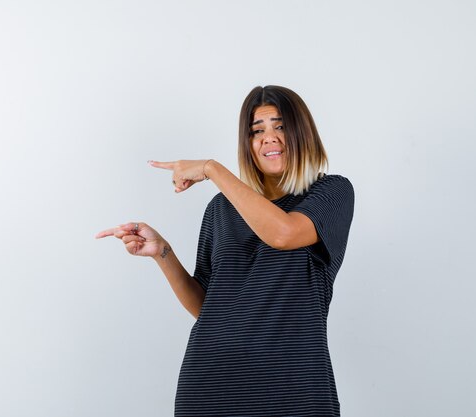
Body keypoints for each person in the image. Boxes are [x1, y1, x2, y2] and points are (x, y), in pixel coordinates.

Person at [95, 85, 355, 417]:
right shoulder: (221, 208)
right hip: (210, 386)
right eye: (257, 131)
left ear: (303, 134)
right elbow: (207, 306)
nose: (269, 138)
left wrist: (212, 169)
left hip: (293, 388)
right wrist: (163, 252)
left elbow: (283, 233)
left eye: (281, 126)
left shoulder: (331, 192)